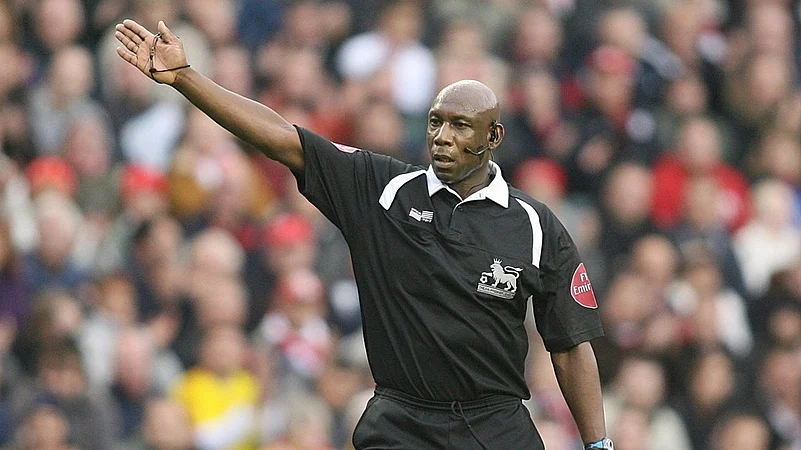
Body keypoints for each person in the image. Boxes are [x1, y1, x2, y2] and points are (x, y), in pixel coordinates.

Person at [114, 19, 612, 450]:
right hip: (402, 423)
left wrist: (599, 443)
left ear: (493, 137)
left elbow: (569, 346)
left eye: (461, 126)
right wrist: (185, 78)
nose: (442, 137)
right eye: (436, 123)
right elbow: (283, 138)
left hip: (497, 424)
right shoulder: (381, 189)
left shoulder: (534, 224)